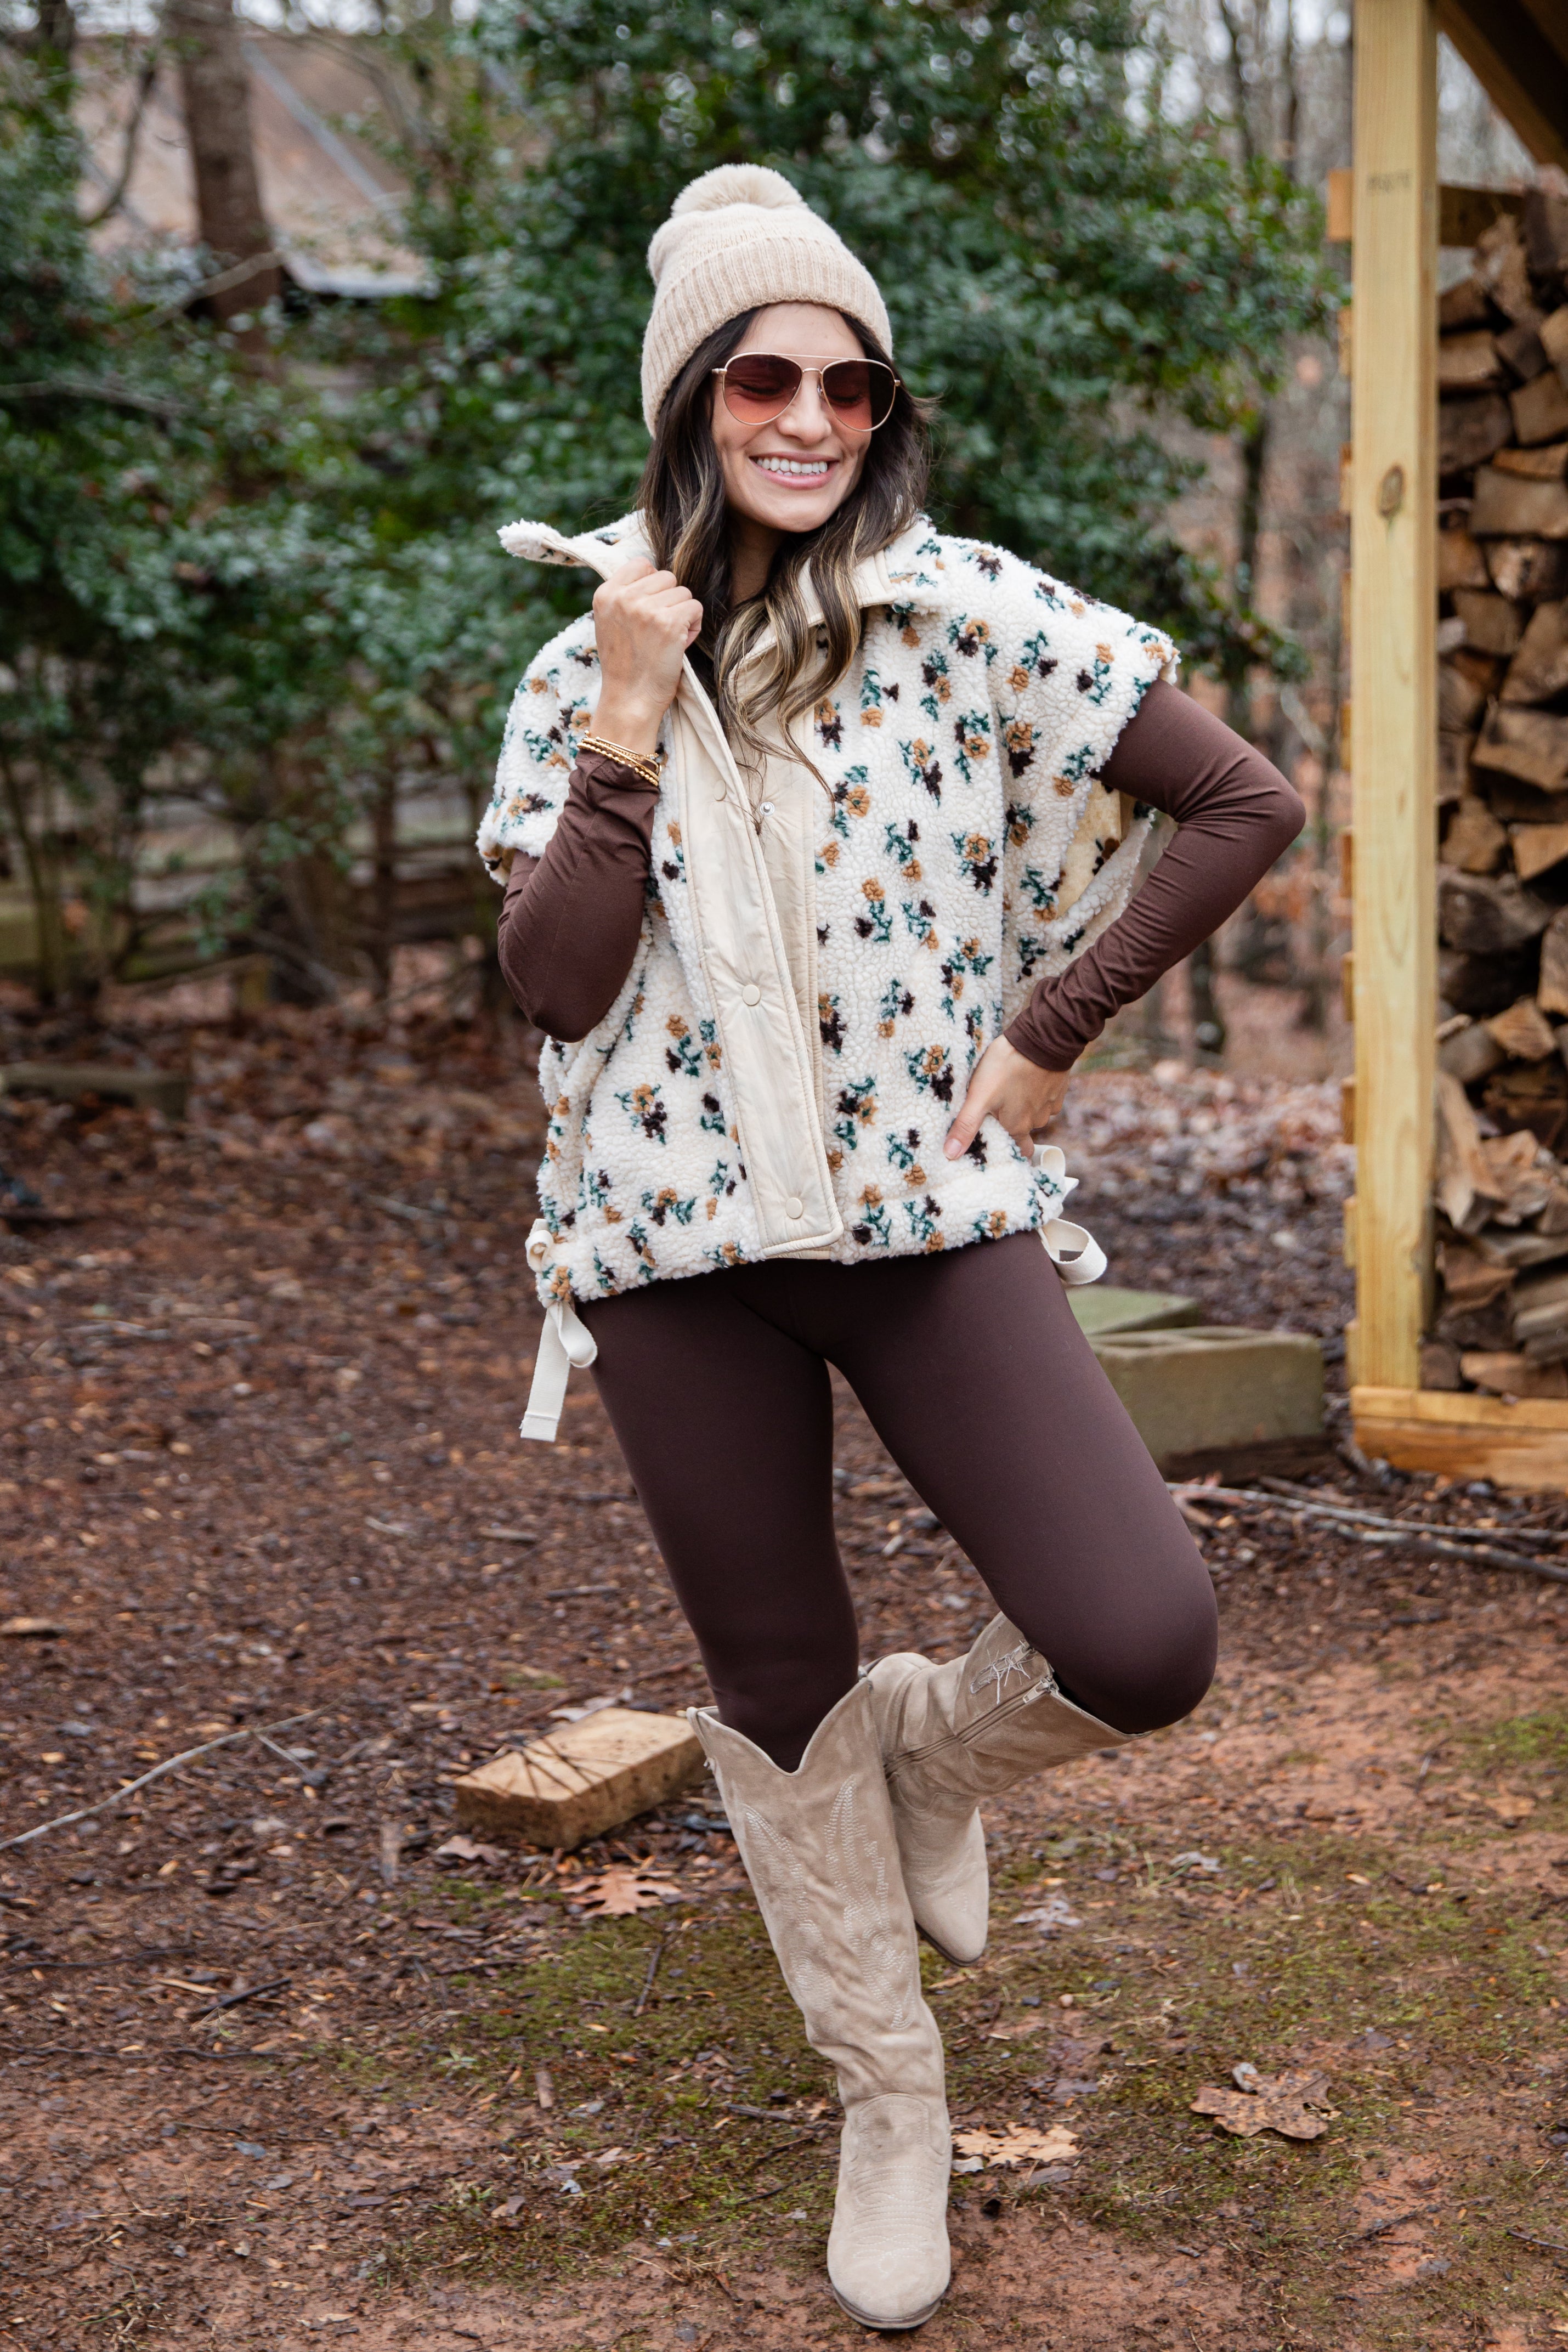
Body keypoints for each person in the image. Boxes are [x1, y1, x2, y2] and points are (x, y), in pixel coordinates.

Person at [479, 166, 1303, 2331]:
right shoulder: (585, 666)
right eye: (764, 373)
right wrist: (627, 724)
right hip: (675, 1255)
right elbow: (553, 986)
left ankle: (927, 1761)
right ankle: (887, 2096)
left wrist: (1050, 1032)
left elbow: (1243, 808)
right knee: (773, 1685)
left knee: (1139, 1635)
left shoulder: (972, 615)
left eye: (851, 380)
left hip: (932, 1225)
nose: (811, 413)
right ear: (692, 402)